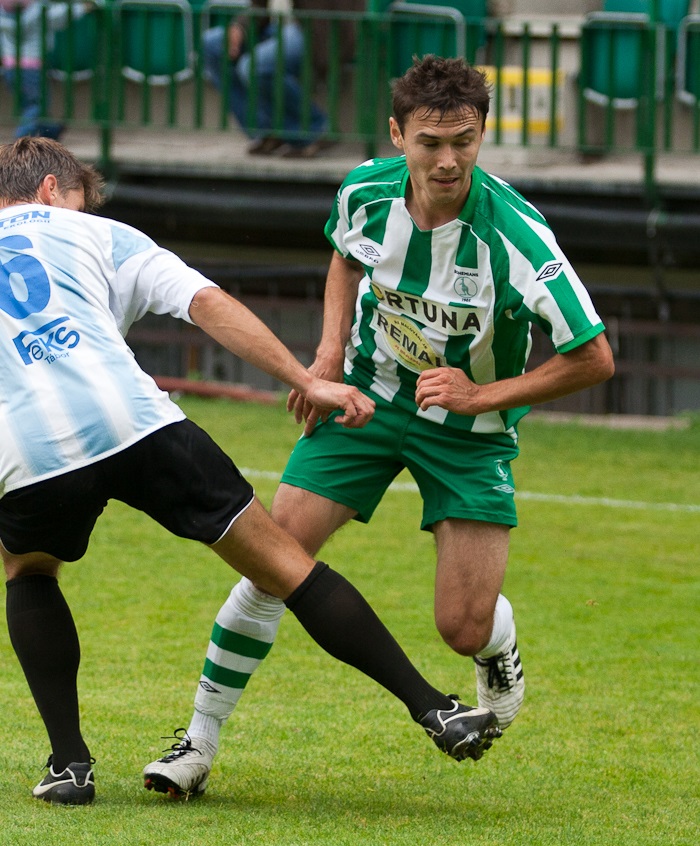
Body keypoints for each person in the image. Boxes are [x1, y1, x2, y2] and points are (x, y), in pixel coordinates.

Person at [143, 55, 615, 800]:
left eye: (464, 139)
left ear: (483, 135)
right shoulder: (365, 190)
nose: (448, 159)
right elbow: (345, 259)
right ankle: (196, 743)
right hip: (366, 398)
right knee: (273, 558)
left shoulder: (519, 236)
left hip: (469, 429)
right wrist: (327, 357)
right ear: (399, 135)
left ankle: (498, 643)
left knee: (461, 626)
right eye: (430, 141)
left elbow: (594, 357)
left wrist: (480, 392)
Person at [0, 136, 502, 805]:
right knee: (286, 566)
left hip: (30, 446)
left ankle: (70, 765)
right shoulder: (105, 236)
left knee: (29, 569)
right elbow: (205, 302)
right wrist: (305, 378)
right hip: (141, 422)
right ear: (50, 192)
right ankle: (432, 707)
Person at [201, 1, 328, 158]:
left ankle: (315, 130)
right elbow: (259, 5)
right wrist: (240, 28)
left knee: (254, 67)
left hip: (317, 29)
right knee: (212, 44)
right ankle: (267, 130)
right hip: (274, 28)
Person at [0, 0, 88, 139]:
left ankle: (51, 133)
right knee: (38, 105)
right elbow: (61, 16)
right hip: (33, 67)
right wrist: (82, 7)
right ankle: (20, 141)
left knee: (29, 106)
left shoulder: (3, 15)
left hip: (10, 67)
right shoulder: (39, 12)